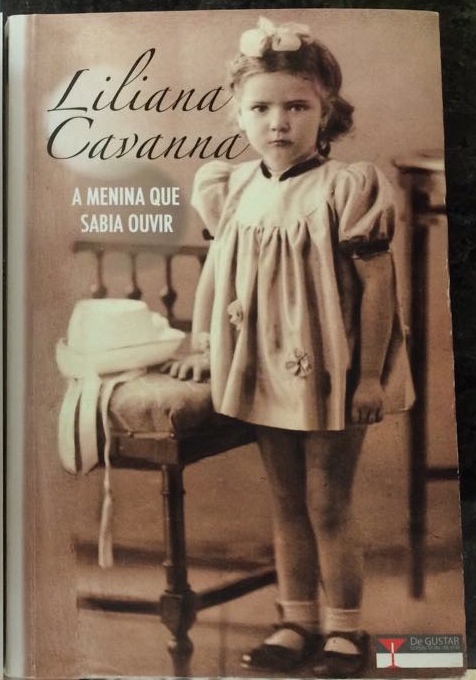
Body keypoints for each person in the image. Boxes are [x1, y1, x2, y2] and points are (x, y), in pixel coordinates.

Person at [168, 16, 413, 678]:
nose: (278, 121)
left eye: (297, 106)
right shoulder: (233, 187)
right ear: (239, 115)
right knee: (286, 502)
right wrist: (203, 341)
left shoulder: (346, 186)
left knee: (328, 503)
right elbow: (220, 277)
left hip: (332, 367)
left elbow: (379, 287)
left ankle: (346, 632)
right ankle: (297, 622)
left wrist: (369, 377)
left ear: (325, 110)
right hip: (265, 367)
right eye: (262, 108)